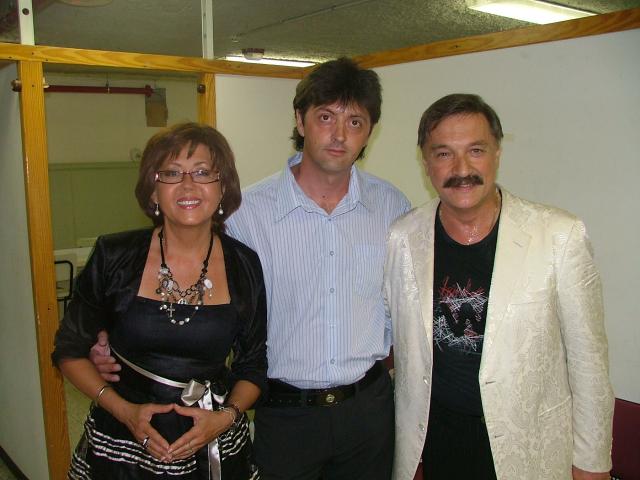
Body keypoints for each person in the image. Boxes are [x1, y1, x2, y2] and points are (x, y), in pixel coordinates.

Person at [92, 57, 411, 479]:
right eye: (325, 117)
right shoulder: (244, 215)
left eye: (355, 122)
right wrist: (112, 339)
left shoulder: (392, 207)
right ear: (299, 120)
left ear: (370, 131)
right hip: (284, 416)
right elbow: (187, 288)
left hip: (368, 412)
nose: (339, 134)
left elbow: (403, 305)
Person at [384, 93, 614, 480]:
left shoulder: (559, 236)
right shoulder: (403, 238)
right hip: (438, 442)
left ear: (497, 154)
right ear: (426, 163)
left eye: (476, 151)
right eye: (444, 154)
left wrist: (592, 463)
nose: (461, 169)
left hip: (529, 448)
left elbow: (589, 361)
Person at [53, 123, 267, 479]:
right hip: (122, 444)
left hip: (212, 445)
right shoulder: (114, 255)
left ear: (223, 187)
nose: (188, 185)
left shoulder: (244, 263)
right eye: (171, 173)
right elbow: (68, 351)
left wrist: (224, 418)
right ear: (153, 191)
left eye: (203, 172)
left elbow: (254, 365)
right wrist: (124, 411)